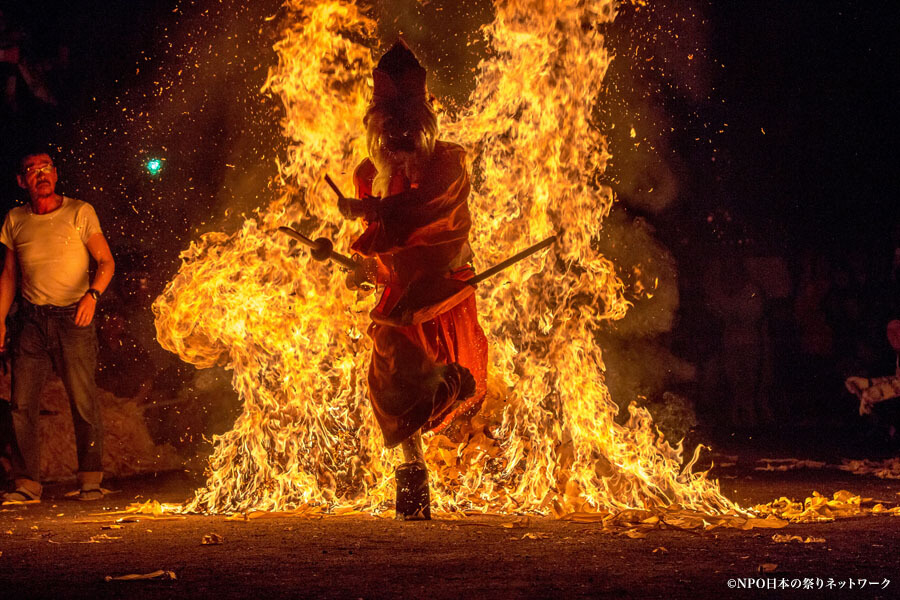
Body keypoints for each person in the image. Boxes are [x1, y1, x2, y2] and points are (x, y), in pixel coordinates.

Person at [339, 40, 488, 520]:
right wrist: (360, 266)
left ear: (424, 122)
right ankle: (413, 489)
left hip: (439, 289)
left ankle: (449, 387)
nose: (399, 140)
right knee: (389, 380)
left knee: (403, 376)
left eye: (408, 128)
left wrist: (373, 212)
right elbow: (382, 242)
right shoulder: (370, 173)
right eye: (389, 130)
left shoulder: (448, 164)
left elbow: (427, 214)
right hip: (399, 296)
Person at [0, 149, 115, 503]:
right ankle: (27, 484)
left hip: (73, 318)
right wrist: (0, 320)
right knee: (21, 404)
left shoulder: (80, 212)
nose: (41, 174)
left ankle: (91, 479)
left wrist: (92, 296)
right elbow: (8, 274)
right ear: (22, 181)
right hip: (31, 321)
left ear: (56, 174)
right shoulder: (15, 219)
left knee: (82, 399)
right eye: (32, 170)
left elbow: (106, 262)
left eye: (46, 168)